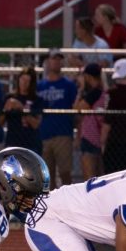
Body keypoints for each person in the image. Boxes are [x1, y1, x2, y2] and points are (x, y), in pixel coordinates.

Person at [36, 49, 76, 188]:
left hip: (63, 133)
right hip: (44, 134)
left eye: (59, 59)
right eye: (53, 59)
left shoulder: (69, 85)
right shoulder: (39, 86)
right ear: (47, 62)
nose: (56, 62)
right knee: (47, 175)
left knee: (65, 173)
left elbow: (76, 108)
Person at [0, 66, 43, 156]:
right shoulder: (9, 97)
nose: (24, 83)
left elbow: (36, 124)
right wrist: (6, 110)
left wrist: (21, 108)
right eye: (22, 79)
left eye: (28, 81)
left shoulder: (37, 100)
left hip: (30, 145)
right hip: (12, 143)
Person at [74, 62, 106, 181]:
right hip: (97, 139)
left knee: (90, 179)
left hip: (91, 139)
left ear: (87, 77)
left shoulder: (95, 93)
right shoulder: (100, 92)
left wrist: (81, 89)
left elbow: (76, 108)